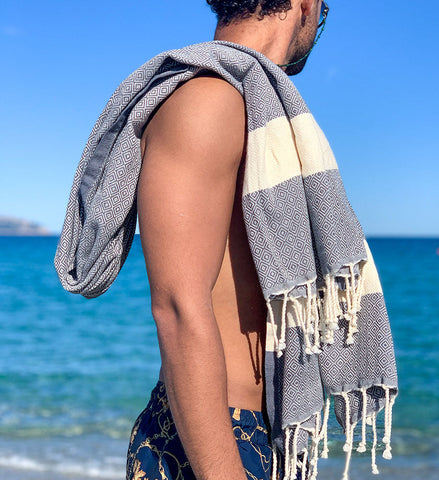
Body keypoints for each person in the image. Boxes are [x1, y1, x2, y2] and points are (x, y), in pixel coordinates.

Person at [126, 1, 328, 479]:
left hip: (266, 433)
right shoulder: (208, 99)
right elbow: (177, 307)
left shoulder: (255, 112)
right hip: (215, 438)